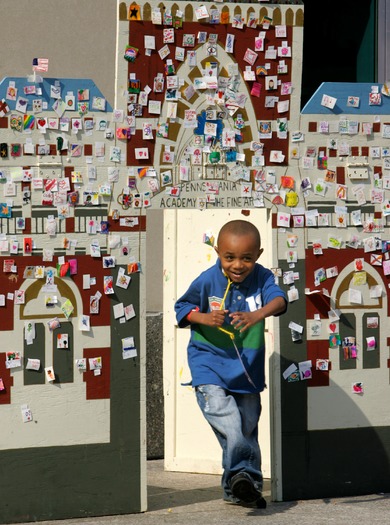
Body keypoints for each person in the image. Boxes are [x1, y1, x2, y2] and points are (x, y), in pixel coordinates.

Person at [175, 219, 287, 507]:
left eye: (246, 258)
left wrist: (256, 315)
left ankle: (237, 488)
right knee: (231, 425)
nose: (238, 265)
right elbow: (182, 307)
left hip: (247, 371)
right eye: (230, 257)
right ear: (218, 252)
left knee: (247, 428)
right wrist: (202, 318)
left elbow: (280, 301)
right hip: (208, 363)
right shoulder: (207, 280)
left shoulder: (262, 278)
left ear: (258, 255)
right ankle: (244, 477)